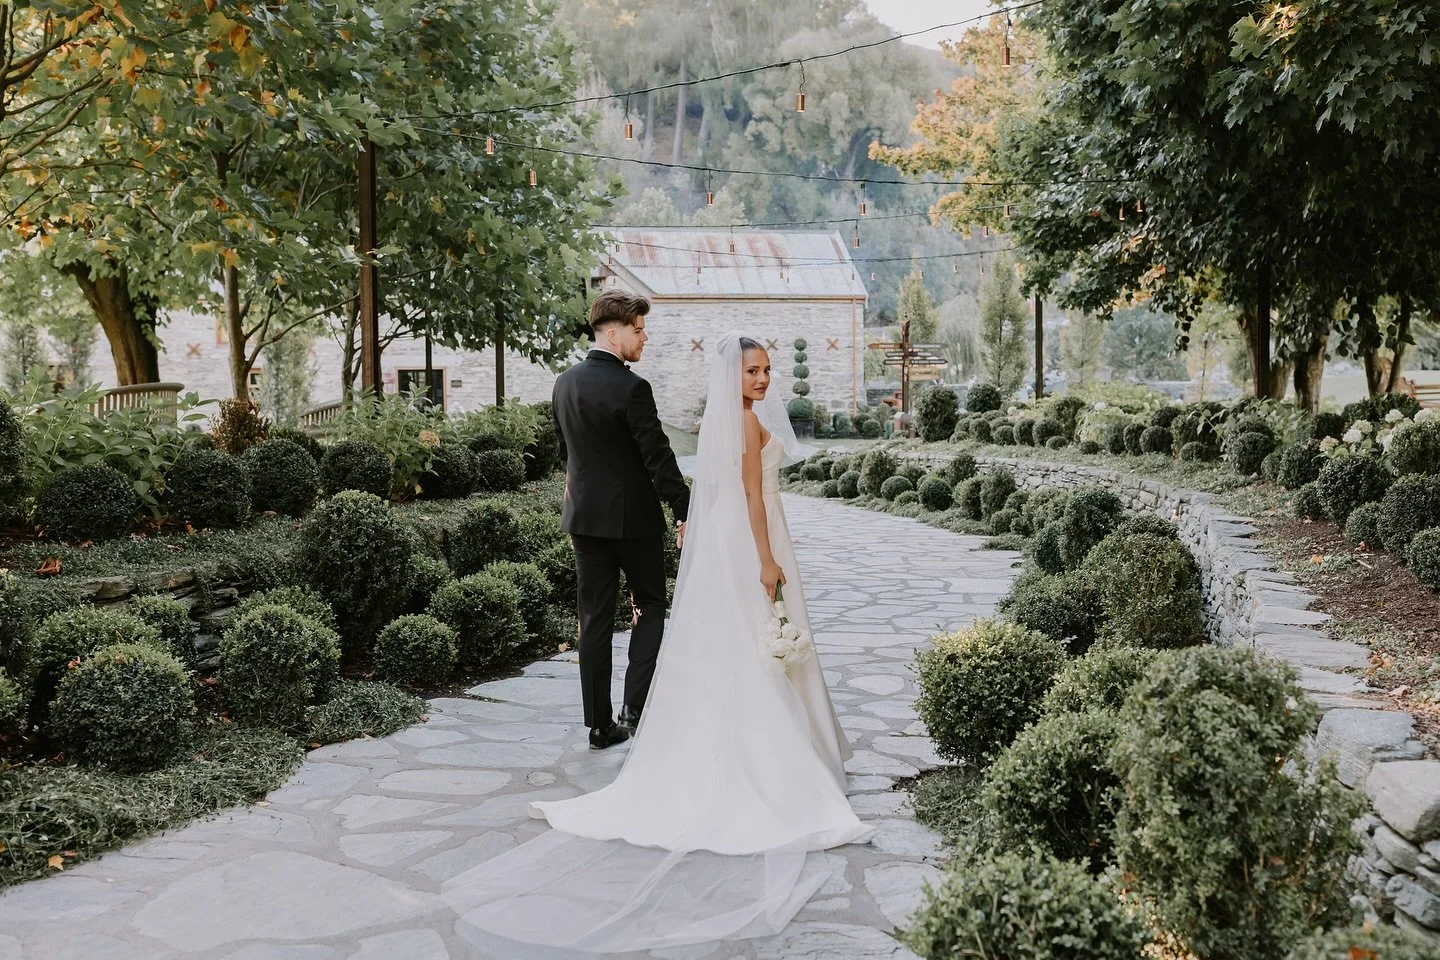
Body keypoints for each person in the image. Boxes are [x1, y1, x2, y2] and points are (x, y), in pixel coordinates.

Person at [442, 332, 872, 956]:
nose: (762, 380)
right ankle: (759, 745)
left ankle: (609, 718)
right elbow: (749, 495)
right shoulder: (740, 423)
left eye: (768, 370)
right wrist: (767, 560)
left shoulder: (610, 394)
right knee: (728, 633)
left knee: (619, 624)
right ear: (733, 376)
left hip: (601, 519)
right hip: (746, 540)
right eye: (753, 370)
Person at [551, 290, 690, 751]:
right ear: (613, 333)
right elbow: (658, 458)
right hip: (633, 522)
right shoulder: (633, 388)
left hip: (584, 520)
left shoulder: (563, 384)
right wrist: (684, 510)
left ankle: (598, 726)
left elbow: (567, 453)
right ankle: (634, 708)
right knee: (650, 606)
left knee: (592, 620)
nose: (643, 337)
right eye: (638, 329)